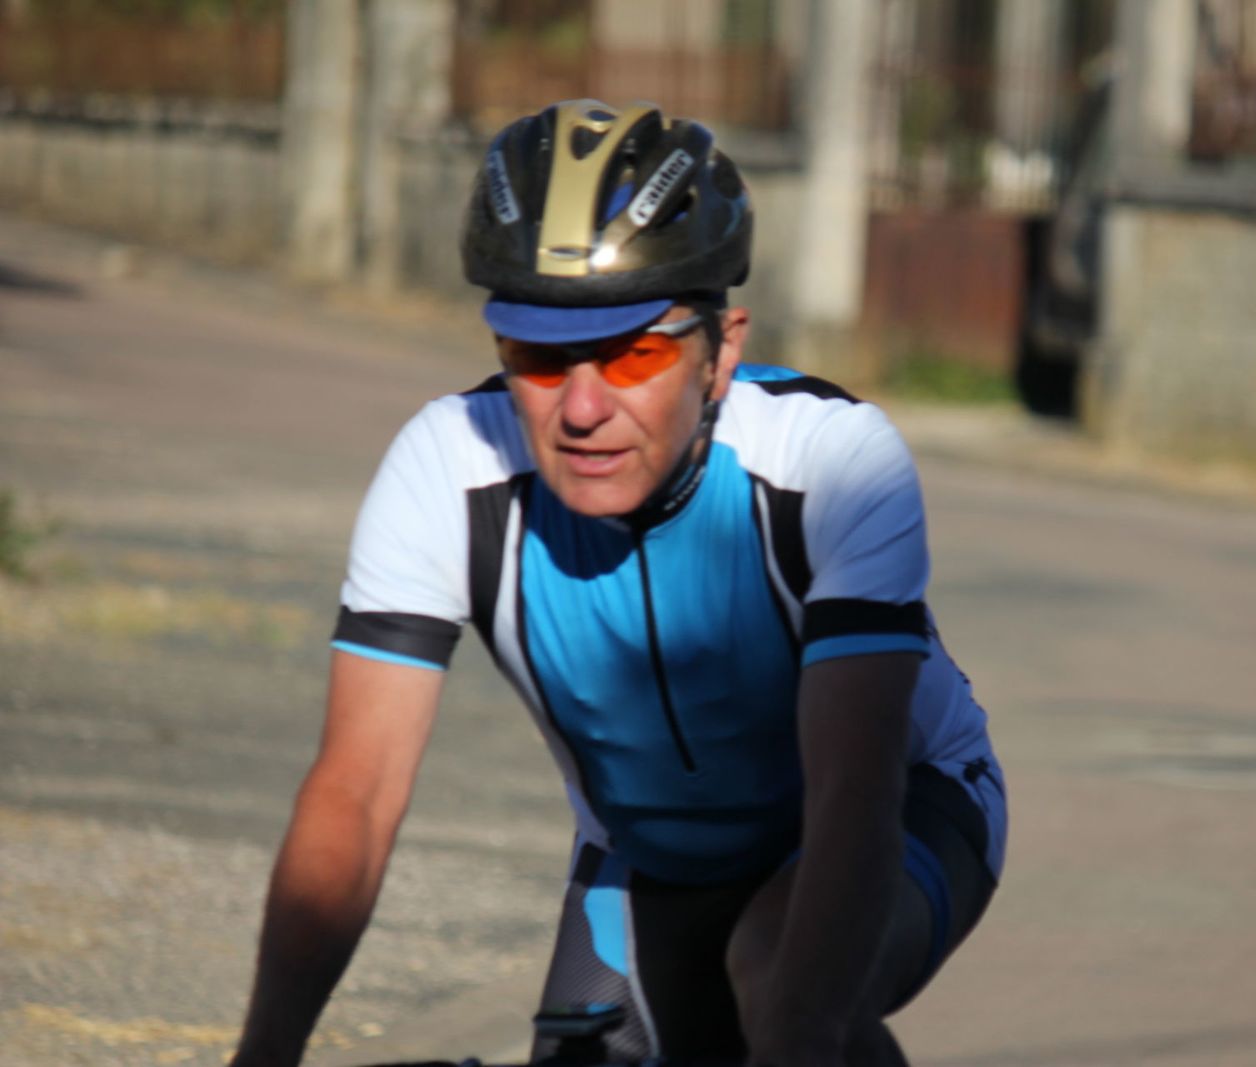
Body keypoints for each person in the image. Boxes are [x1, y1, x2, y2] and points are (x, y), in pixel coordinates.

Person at [229, 99, 1006, 1067]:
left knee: (786, 992)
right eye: (538, 359)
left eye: (634, 353)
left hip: (902, 805)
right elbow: (358, 790)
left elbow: (855, 788)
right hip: (647, 849)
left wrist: (802, 1034)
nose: (583, 408)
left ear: (722, 352)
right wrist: (262, 1056)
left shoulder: (831, 462)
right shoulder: (446, 465)